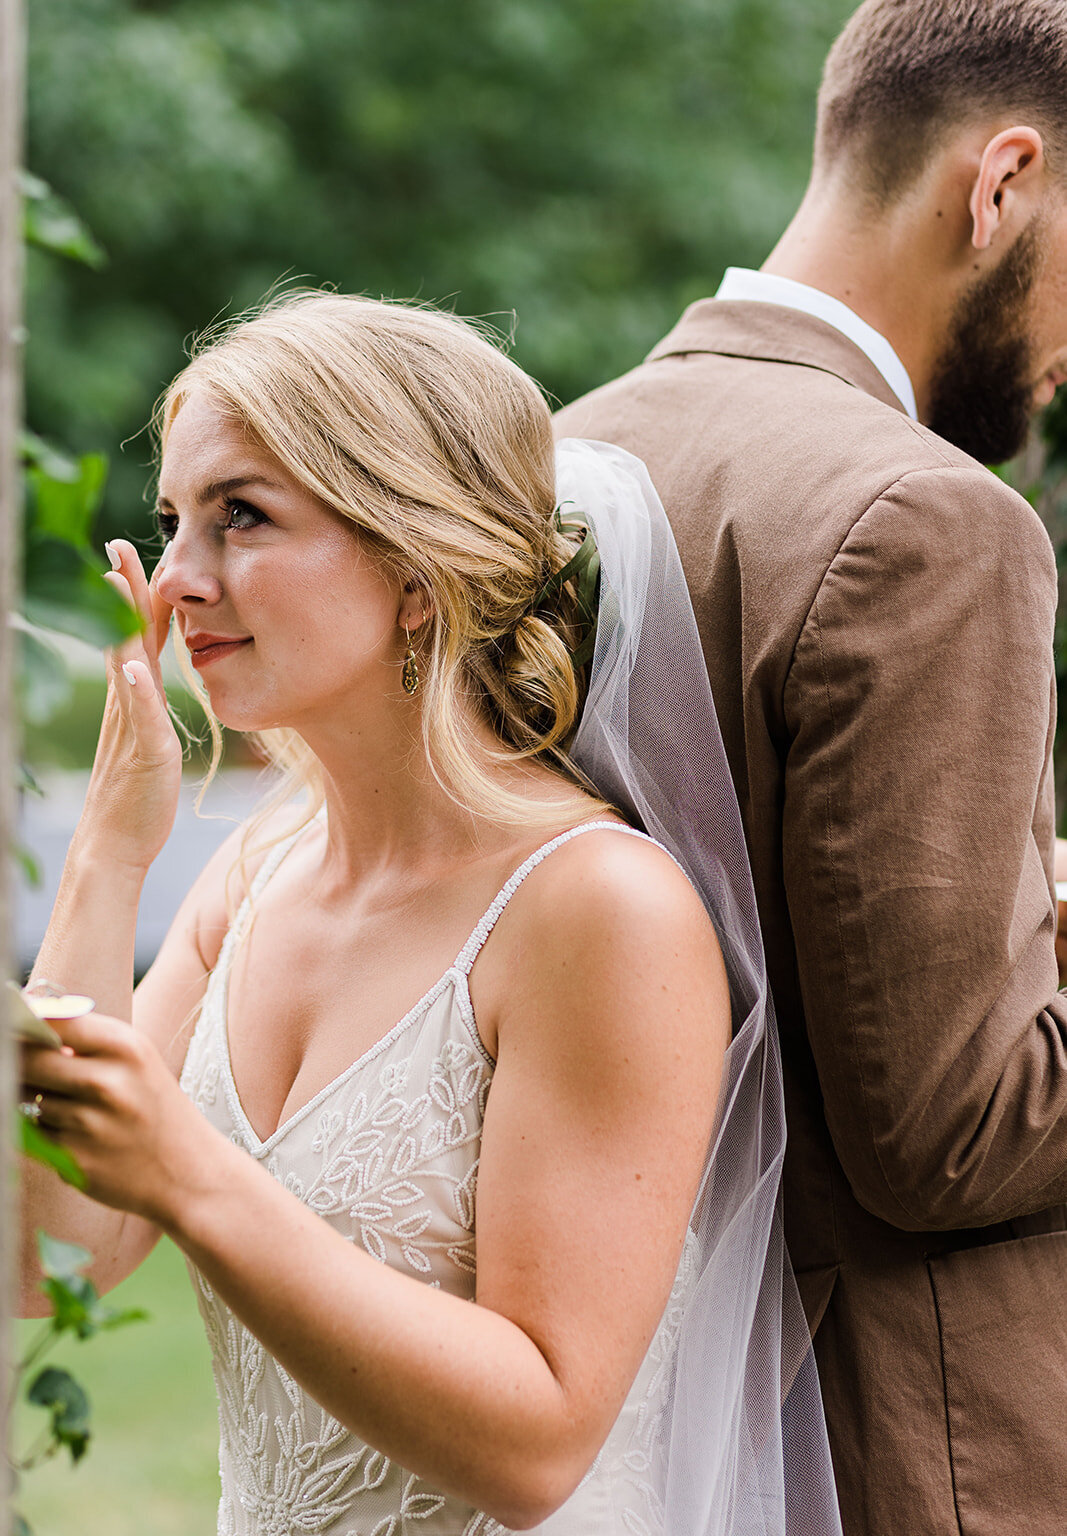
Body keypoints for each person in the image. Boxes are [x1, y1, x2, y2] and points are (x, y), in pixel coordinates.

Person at [18, 295, 837, 1535]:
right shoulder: (252, 875)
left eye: (241, 517)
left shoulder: (593, 909)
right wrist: (109, 855)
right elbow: (50, 1259)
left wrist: (192, 1176)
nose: (178, 580)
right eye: (172, 521)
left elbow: (538, 1441)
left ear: (414, 571)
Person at [554, 0, 1067, 1532]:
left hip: (630, 1411)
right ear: (1001, 185)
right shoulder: (928, 520)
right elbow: (945, 1136)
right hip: (902, 1447)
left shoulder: (554, 457)